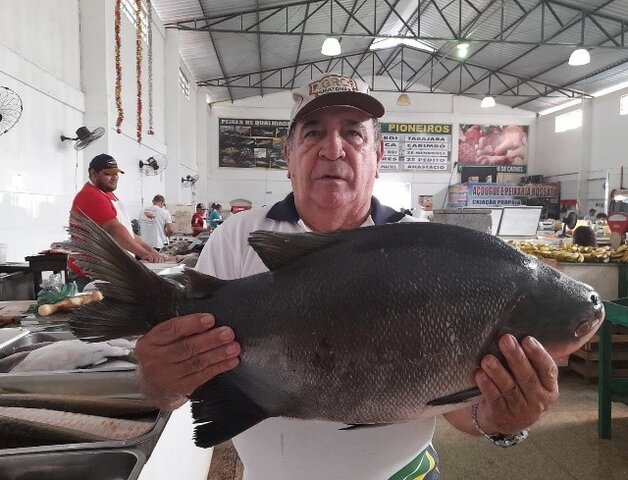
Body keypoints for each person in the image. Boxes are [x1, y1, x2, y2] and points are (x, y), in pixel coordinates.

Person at [135, 73, 559, 479]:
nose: (332, 149)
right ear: (288, 157)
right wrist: (160, 378)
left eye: (353, 133)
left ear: (378, 156)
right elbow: (184, 381)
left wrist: (504, 419)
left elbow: (454, 404)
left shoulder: (421, 250)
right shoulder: (236, 238)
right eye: (313, 132)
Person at [68, 154, 168, 290]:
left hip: (108, 268)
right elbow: (115, 230)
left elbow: (126, 232)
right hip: (92, 273)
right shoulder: (91, 196)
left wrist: (149, 249)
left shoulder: (107, 194)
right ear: (93, 173)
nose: (114, 177)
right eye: (108, 174)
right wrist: (144, 254)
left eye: (116, 173)